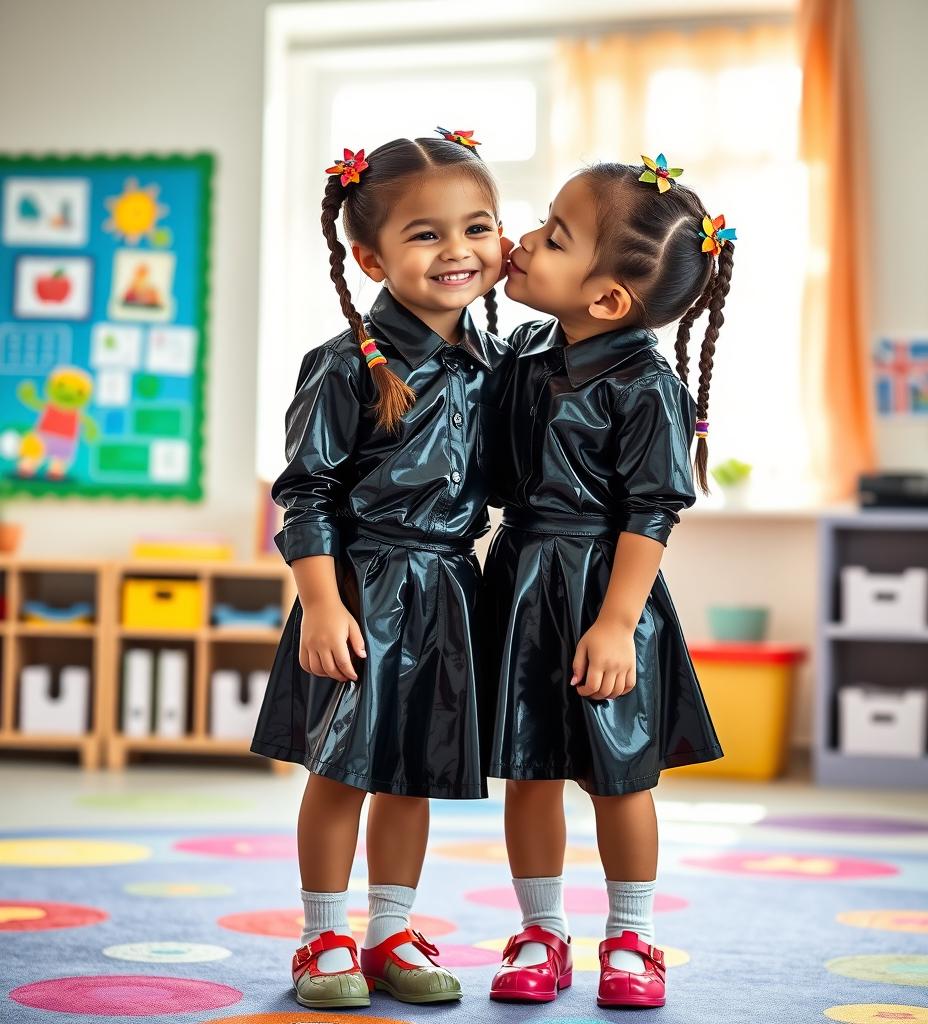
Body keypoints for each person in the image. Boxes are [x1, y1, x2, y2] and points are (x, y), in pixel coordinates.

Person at [251, 131, 510, 1009]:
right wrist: (320, 604)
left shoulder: (501, 364)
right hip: (359, 592)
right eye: (426, 234)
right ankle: (321, 934)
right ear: (370, 257)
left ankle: (390, 926)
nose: (459, 252)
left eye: (478, 228)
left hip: (448, 592)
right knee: (341, 769)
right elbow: (307, 494)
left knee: (416, 772)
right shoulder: (340, 366)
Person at [480, 155, 734, 1009]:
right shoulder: (522, 349)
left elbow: (652, 510)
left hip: (605, 593)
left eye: (554, 238)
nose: (522, 242)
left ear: (609, 300)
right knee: (530, 767)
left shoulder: (644, 383)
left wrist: (620, 622)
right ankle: (540, 930)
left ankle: (633, 937)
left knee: (620, 773)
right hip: (523, 580)